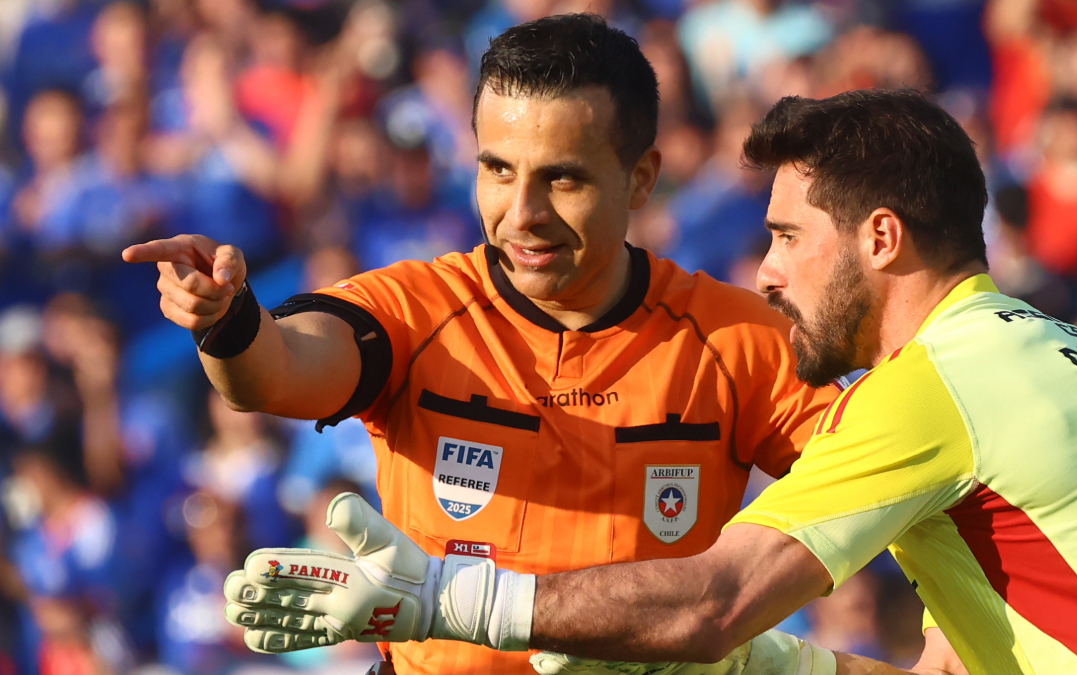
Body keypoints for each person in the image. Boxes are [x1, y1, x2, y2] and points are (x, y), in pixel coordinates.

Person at [222, 88, 1077, 675]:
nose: (766, 272)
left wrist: (438, 598)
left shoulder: (926, 391)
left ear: (881, 239)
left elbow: (712, 601)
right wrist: (763, 666)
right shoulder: (1074, 361)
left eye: (788, 237)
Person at [124, 14, 842, 674]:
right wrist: (227, 319)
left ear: (641, 179)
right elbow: (274, 370)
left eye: (562, 178)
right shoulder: (415, 311)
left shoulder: (739, 339)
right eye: (498, 169)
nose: (522, 213)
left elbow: (880, 485)